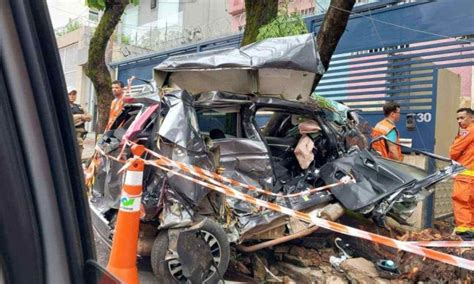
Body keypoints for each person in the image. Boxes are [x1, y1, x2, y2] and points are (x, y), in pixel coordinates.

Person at [449, 107, 474, 240]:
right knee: (471, 204)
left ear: (472, 118)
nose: (459, 121)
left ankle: (465, 233)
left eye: (462, 118)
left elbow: (453, 151)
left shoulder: (468, 131)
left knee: (462, 201)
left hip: (465, 174)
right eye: (457, 118)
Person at [68, 86, 92, 158]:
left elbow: (89, 117)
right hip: (71, 134)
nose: (72, 96)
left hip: (80, 136)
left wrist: (82, 117)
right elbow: (70, 118)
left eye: (74, 94)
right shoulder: (64, 105)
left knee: (78, 158)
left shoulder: (79, 107)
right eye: (70, 94)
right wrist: (81, 117)